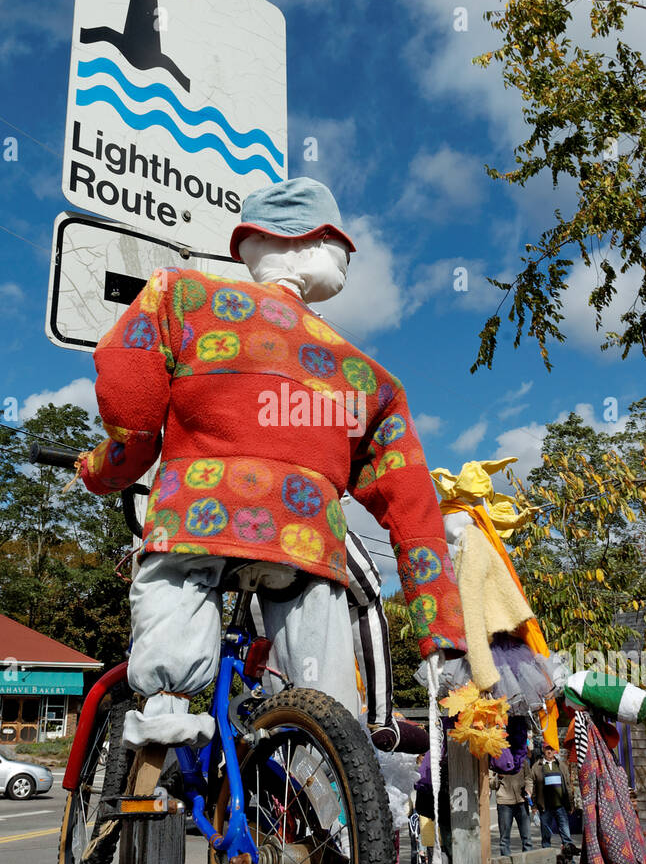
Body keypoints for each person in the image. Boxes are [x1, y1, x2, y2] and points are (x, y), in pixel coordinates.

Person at [77, 177, 466, 749]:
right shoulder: (366, 375)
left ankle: (165, 718)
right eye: (345, 248)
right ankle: (331, 798)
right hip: (308, 545)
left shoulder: (180, 296)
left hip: (198, 517)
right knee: (325, 710)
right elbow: (415, 515)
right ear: (313, 240)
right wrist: (442, 635)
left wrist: (97, 472)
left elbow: (134, 426)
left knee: (174, 605)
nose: (348, 263)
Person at [532, 742, 574, 851]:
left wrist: (570, 804)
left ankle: (571, 863)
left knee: (566, 836)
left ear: (555, 750)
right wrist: (534, 806)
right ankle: (548, 862)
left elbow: (568, 786)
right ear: (543, 750)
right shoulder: (537, 767)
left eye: (551, 749)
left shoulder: (561, 765)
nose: (549, 751)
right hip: (545, 807)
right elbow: (533, 788)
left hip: (561, 806)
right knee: (546, 838)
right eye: (547, 749)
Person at [492, 755, 533, 857]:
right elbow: (491, 783)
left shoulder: (522, 759)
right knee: (504, 839)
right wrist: (499, 777)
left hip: (521, 801)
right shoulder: (495, 759)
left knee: (527, 838)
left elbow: (529, 778)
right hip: (504, 803)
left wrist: (529, 790)